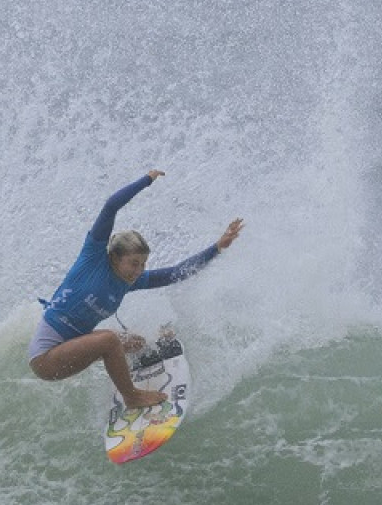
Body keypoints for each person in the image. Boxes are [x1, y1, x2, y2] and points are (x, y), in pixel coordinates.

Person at [29, 169, 243, 407]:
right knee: (110, 339)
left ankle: (131, 368)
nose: (138, 270)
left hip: (68, 349)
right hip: (46, 360)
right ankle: (131, 396)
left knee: (135, 343)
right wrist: (146, 181)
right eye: (133, 263)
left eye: (142, 264)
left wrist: (217, 247)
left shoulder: (131, 281)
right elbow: (110, 207)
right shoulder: (93, 257)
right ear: (115, 257)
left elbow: (176, 273)